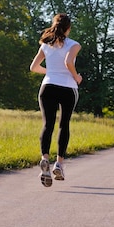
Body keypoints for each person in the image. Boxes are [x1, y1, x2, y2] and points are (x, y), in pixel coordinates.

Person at [30, 13, 83, 187]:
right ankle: (59, 163)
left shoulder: (45, 45)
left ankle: (45, 159)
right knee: (64, 124)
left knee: (48, 125)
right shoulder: (74, 45)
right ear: (68, 28)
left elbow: (33, 67)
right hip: (68, 88)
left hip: (48, 87)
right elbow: (69, 62)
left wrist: (51, 72)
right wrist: (76, 77)